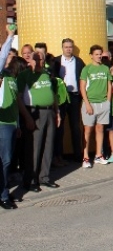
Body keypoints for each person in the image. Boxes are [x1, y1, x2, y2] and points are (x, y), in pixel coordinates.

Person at [17, 50, 62, 192]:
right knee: (34, 148)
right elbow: (18, 98)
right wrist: (27, 117)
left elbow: (53, 94)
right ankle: (31, 179)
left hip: (49, 111)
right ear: (30, 60)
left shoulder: (46, 74)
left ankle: (44, 177)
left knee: (48, 145)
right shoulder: (24, 75)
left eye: (41, 59)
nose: (39, 62)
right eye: (36, 59)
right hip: (34, 112)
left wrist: (58, 112)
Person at [52, 38, 85, 164]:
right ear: (62, 48)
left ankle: (78, 155)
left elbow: (83, 79)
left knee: (75, 126)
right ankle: (59, 156)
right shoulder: (56, 61)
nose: (68, 49)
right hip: (61, 98)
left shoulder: (79, 61)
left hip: (75, 97)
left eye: (70, 47)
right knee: (59, 127)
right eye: (66, 47)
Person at [80, 45, 112, 168]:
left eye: (100, 54)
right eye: (97, 54)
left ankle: (99, 155)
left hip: (103, 103)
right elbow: (82, 87)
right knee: (87, 131)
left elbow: (109, 85)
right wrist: (87, 104)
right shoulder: (86, 69)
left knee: (100, 129)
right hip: (90, 103)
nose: (99, 56)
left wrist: (108, 101)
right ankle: (86, 157)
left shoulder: (105, 68)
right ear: (91, 55)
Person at [0, 27, 20, 209]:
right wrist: (10, 37)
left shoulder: (13, 78)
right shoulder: (1, 76)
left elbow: (15, 104)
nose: (10, 60)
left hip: (12, 124)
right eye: (9, 57)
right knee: (4, 160)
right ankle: (4, 194)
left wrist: (18, 124)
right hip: (2, 124)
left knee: (7, 160)